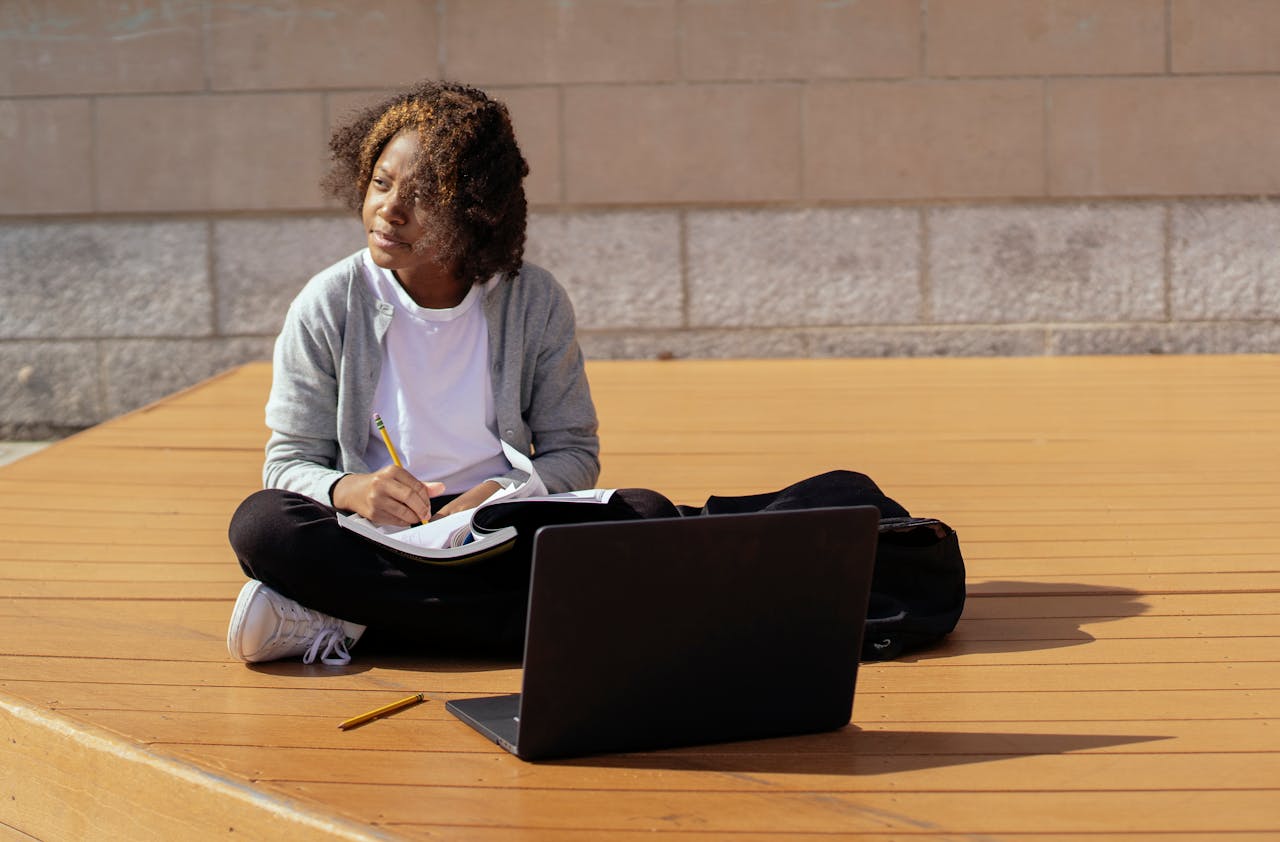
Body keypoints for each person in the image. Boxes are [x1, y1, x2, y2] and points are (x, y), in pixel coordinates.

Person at [225, 80, 599, 666]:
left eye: (423, 195)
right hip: (372, 535)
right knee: (262, 527)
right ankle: (523, 621)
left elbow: (573, 452)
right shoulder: (329, 302)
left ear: (474, 211)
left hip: (493, 532)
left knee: (642, 511)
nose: (388, 210)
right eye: (381, 182)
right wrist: (352, 490)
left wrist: (499, 494)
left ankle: (356, 621)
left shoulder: (535, 301)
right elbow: (286, 463)